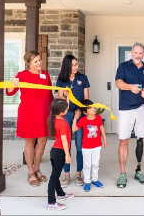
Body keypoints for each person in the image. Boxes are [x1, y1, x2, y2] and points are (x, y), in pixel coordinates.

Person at [6, 50, 54, 187]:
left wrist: (53, 112)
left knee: (43, 141)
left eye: (39, 60)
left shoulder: (45, 74)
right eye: (36, 61)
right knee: (30, 142)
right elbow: (10, 92)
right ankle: (30, 171)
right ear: (28, 63)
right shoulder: (22, 75)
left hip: (44, 113)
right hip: (28, 113)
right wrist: (12, 83)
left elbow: (49, 95)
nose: (39, 63)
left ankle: (37, 168)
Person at [115, 42, 144, 188]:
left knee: (140, 140)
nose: (138, 55)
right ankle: (122, 173)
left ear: (143, 54)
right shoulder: (124, 66)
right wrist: (130, 87)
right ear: (131, 52)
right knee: (124, 141)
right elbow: (118, 83)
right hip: (126, 109)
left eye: (140, 53)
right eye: (136, 53)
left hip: (142, 108)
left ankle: (138, 170)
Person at [56, 54, 90, 188]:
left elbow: (87, 99)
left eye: (77, 64)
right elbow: (60, 99)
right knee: (66, 145)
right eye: (73, 64)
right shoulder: (61, 80)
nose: (76, 67)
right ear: (67, 65)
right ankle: (66, 174)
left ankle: (78, 174)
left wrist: (81, 111)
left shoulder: (83, 78)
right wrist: (66, 97)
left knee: (80, 146)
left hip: (80, 115)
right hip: (66, 115)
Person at [72, 99, 107, 192]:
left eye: (93, 107)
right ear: (85, 112)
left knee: (95, 164)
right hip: (86, 147)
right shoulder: (83, 120)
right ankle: (87, 181)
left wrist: (105, 140)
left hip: (96, 146)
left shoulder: (98, 117)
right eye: (90, 108)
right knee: (87, 165)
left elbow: (101, 128)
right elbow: (74, 129)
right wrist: (75, 118)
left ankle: (95, 180)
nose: (93, 109)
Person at [47, 98, 74, 211]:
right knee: (54, 177)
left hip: (54, 151)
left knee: (55, 174)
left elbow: (63, 107)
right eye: (66, 108)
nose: (67, 109)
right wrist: (67, 155)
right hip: (60, 152)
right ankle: (51, 202)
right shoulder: (62, 123)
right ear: (62, 112)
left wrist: (67, 98)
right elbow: (64, 140)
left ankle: (61, 194)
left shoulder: (55, 118)